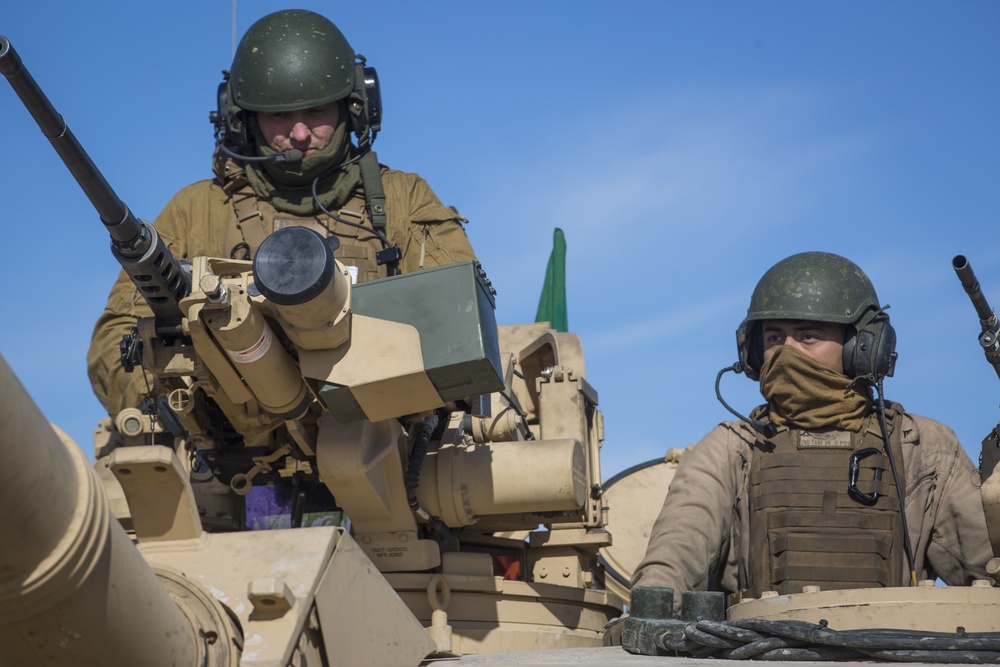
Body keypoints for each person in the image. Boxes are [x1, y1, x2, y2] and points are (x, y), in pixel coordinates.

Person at [87, 9, 476, 416]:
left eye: (317, 112)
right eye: (280, 116)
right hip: (242, 454)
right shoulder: (195, 211)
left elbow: (459, 327)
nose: (301, 133)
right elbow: (114, 344)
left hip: (386, 442)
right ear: (242, 120)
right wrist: (183, 407)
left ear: (354, 107)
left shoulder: (402, 200)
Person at [628, 251, 994, 618]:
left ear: (862, 349)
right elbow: (673, 559)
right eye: (774, 337)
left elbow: (988, 571)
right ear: (754, 350)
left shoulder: (921, 448)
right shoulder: (732, 448)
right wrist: (650, 608)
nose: (787, 353)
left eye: (808, 336)